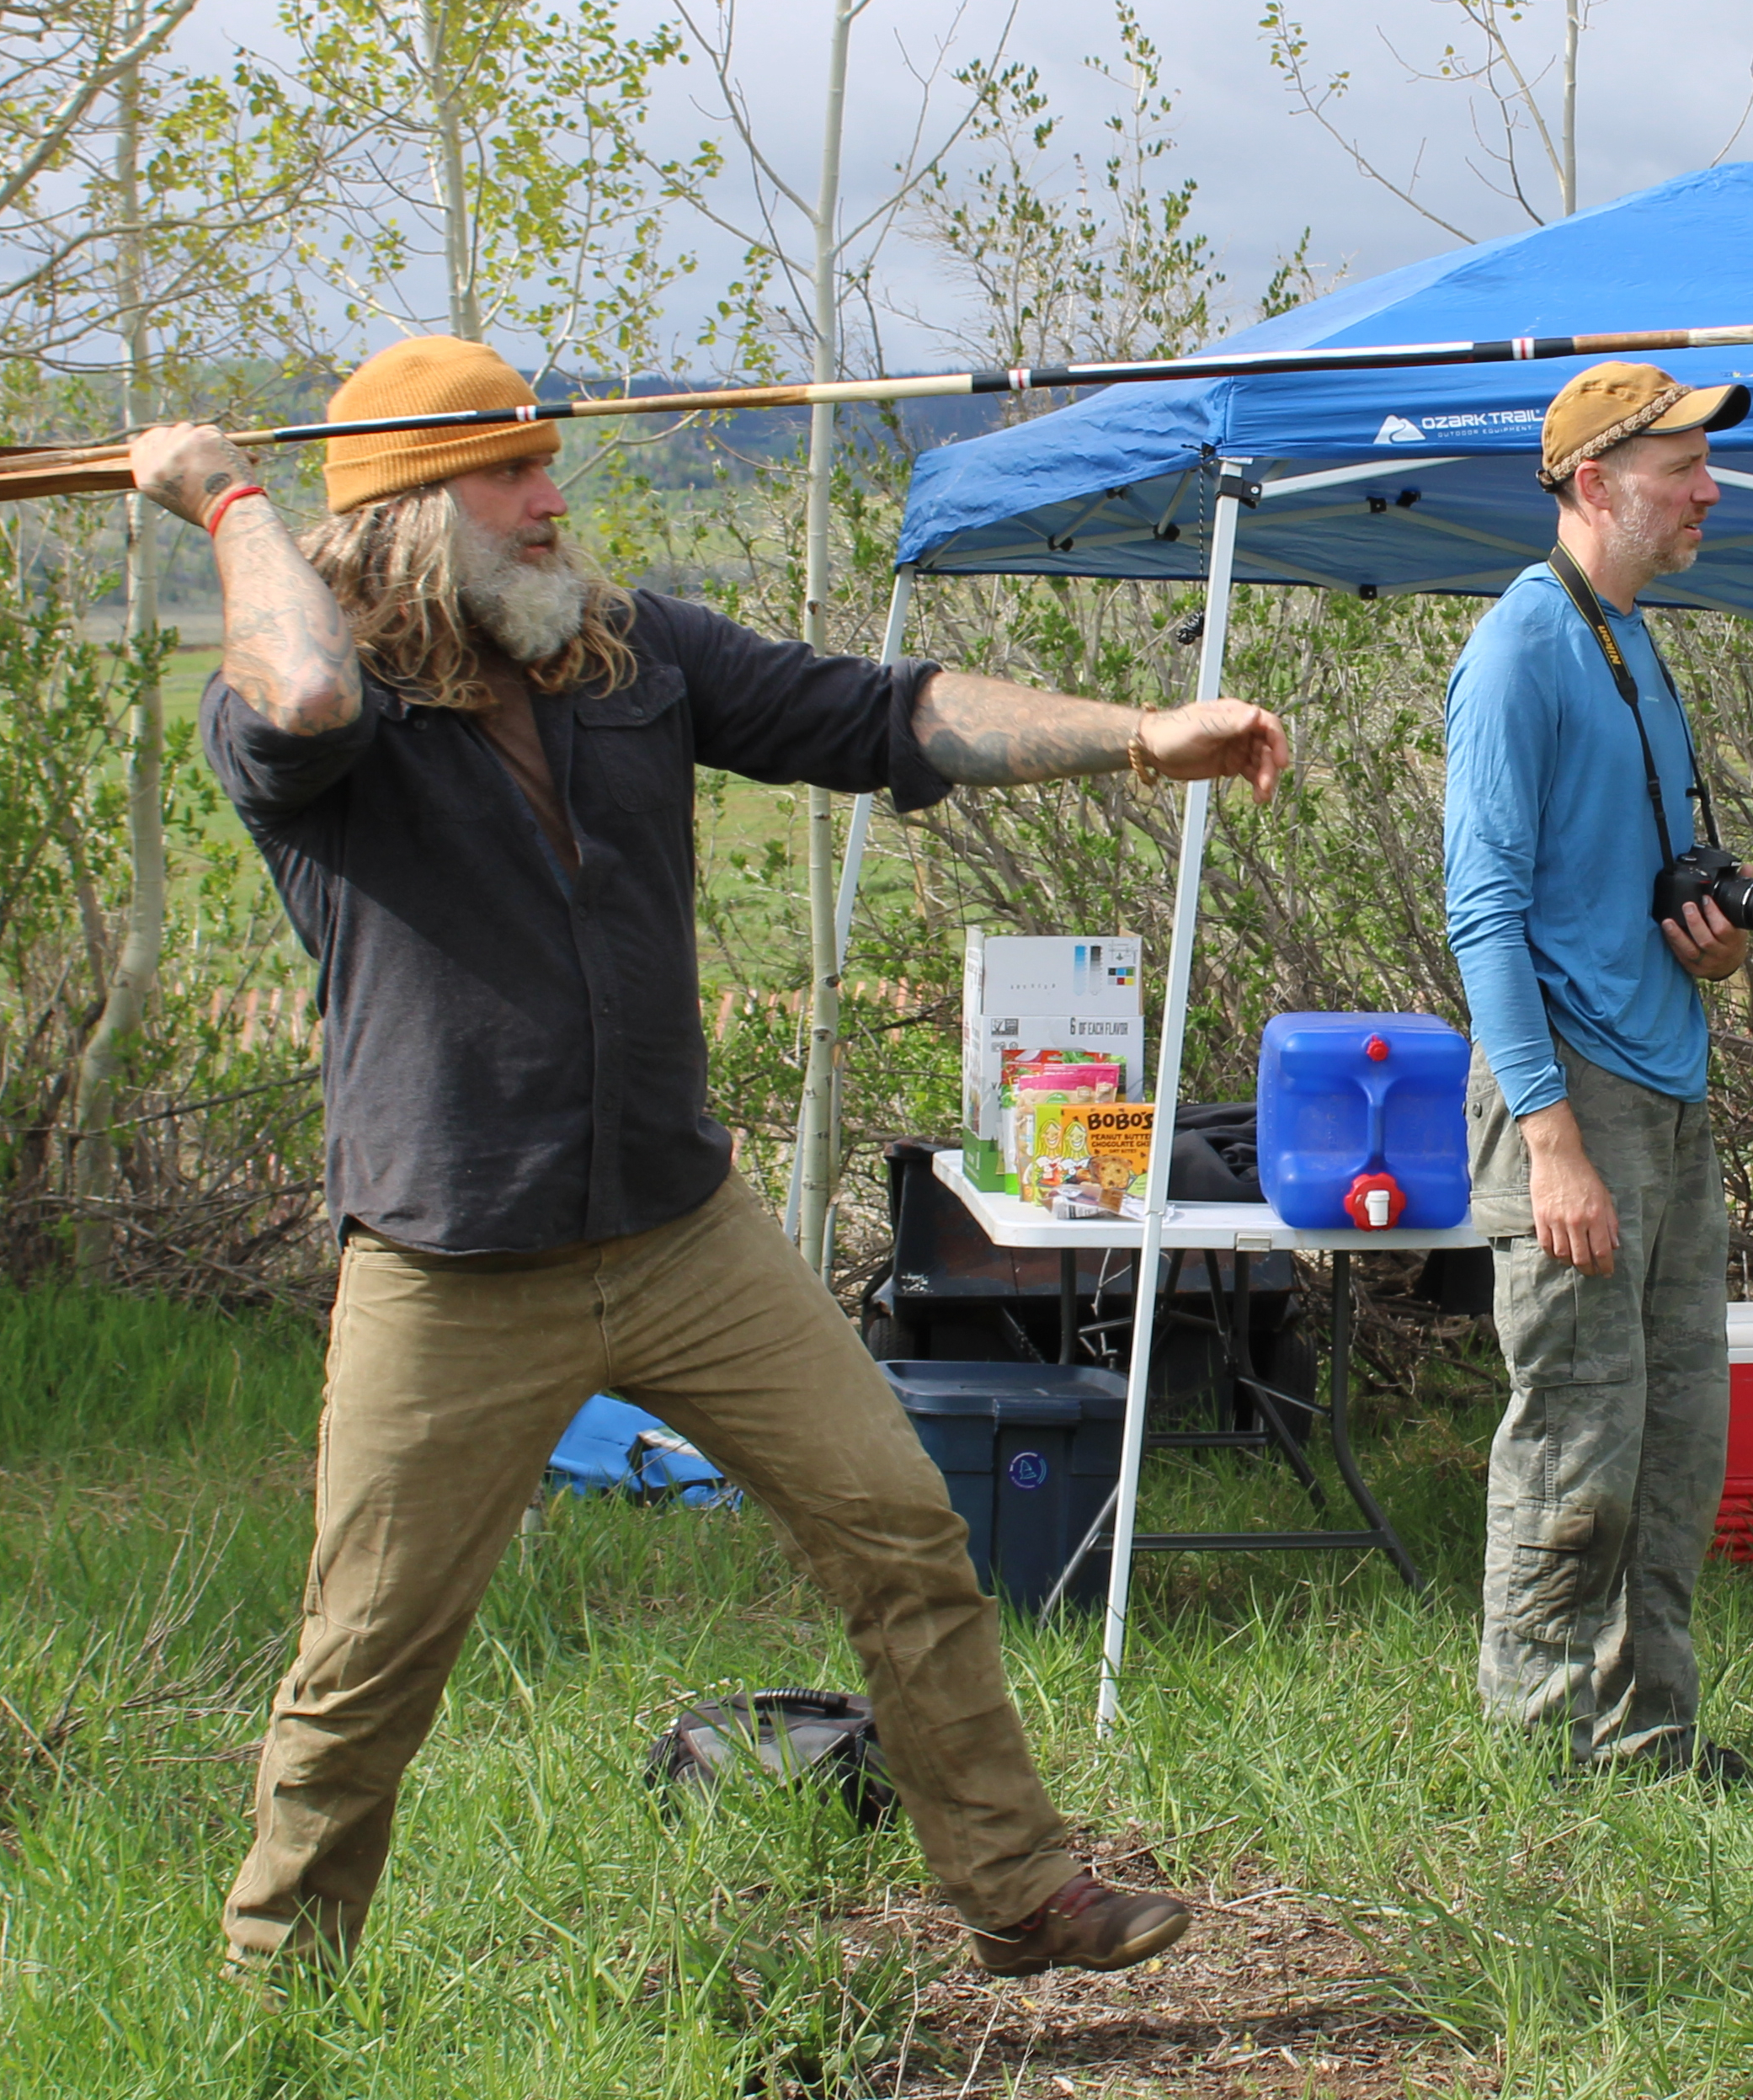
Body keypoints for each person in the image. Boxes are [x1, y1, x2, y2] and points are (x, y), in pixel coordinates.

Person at [133, 335, 1291, 1984]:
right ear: (399, 511)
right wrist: (230, 498)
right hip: (453, 1266)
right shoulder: (300, 707)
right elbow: (308, 686)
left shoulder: (625, 657)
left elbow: (884, 714)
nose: (550, 503)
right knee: (367, 1656)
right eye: (507, 475)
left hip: (685, 1235)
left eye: (545, 466)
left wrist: (1135, 734)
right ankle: (276, 1987)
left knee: (900, 1525)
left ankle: (1021, 1885)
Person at [1441, 361, 1753, 1780]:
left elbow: (1606, 881)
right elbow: (1481, 909)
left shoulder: (1634, 640)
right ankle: (1537, 1760)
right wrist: (1551, 1139)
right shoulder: (1521, 648)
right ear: (1595, 485)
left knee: (1675, 1440)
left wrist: (1708, 951)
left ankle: (1649, 1743)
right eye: (1683, 466)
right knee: (1577, 1444)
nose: (1708, 489)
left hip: (1671, 1089)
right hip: (1569, 1095)